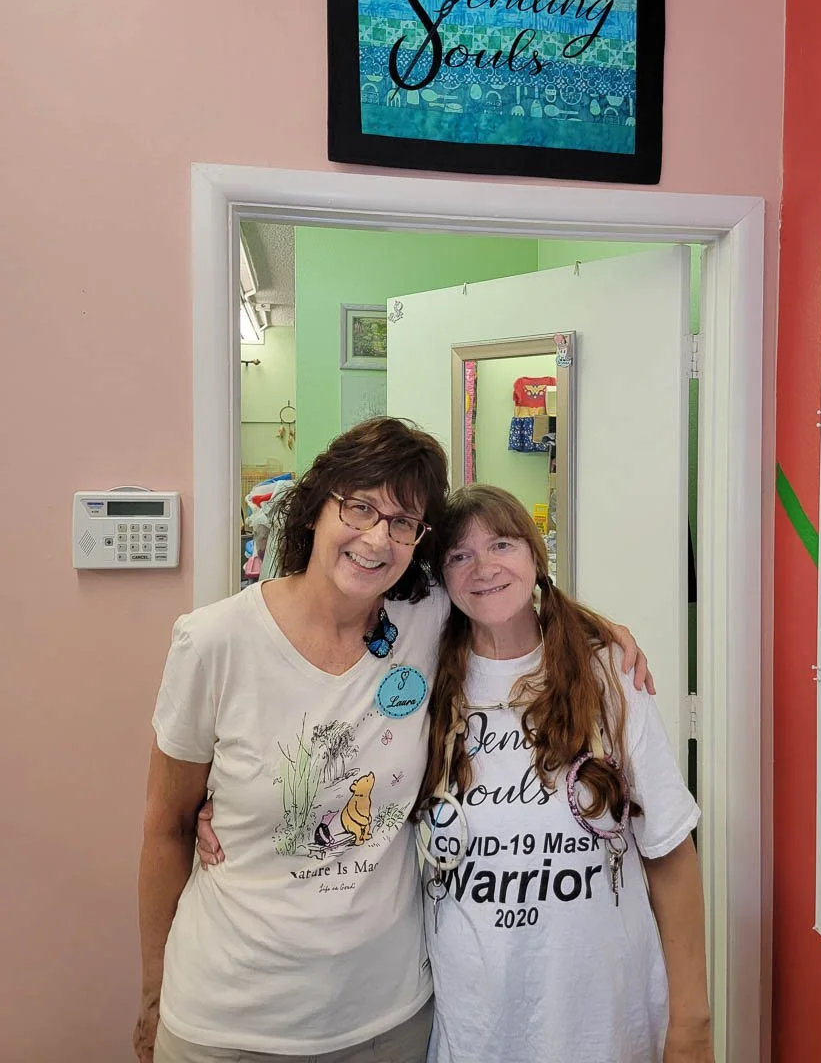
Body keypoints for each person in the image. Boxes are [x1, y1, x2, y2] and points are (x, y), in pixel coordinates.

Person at [136, 419, 649, 1063]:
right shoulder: (213, 642)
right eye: (360, 508)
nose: (378, 538)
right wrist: (152, 995)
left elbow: (506, 593)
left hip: (388, 1018)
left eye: (403, 522)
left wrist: (600, 631)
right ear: (316, 508)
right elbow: (166, 826)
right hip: (229, 1020)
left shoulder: (424, 618)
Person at [417, 485, 713, 1063]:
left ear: (535, 554)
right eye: (460, 555)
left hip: (605, 1023)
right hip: (477, 1028)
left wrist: (693, 1021)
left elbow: (671, 852)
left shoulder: (608, 675)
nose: (484, 568)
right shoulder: (426, 680)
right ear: (442, 579)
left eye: (502, 544)